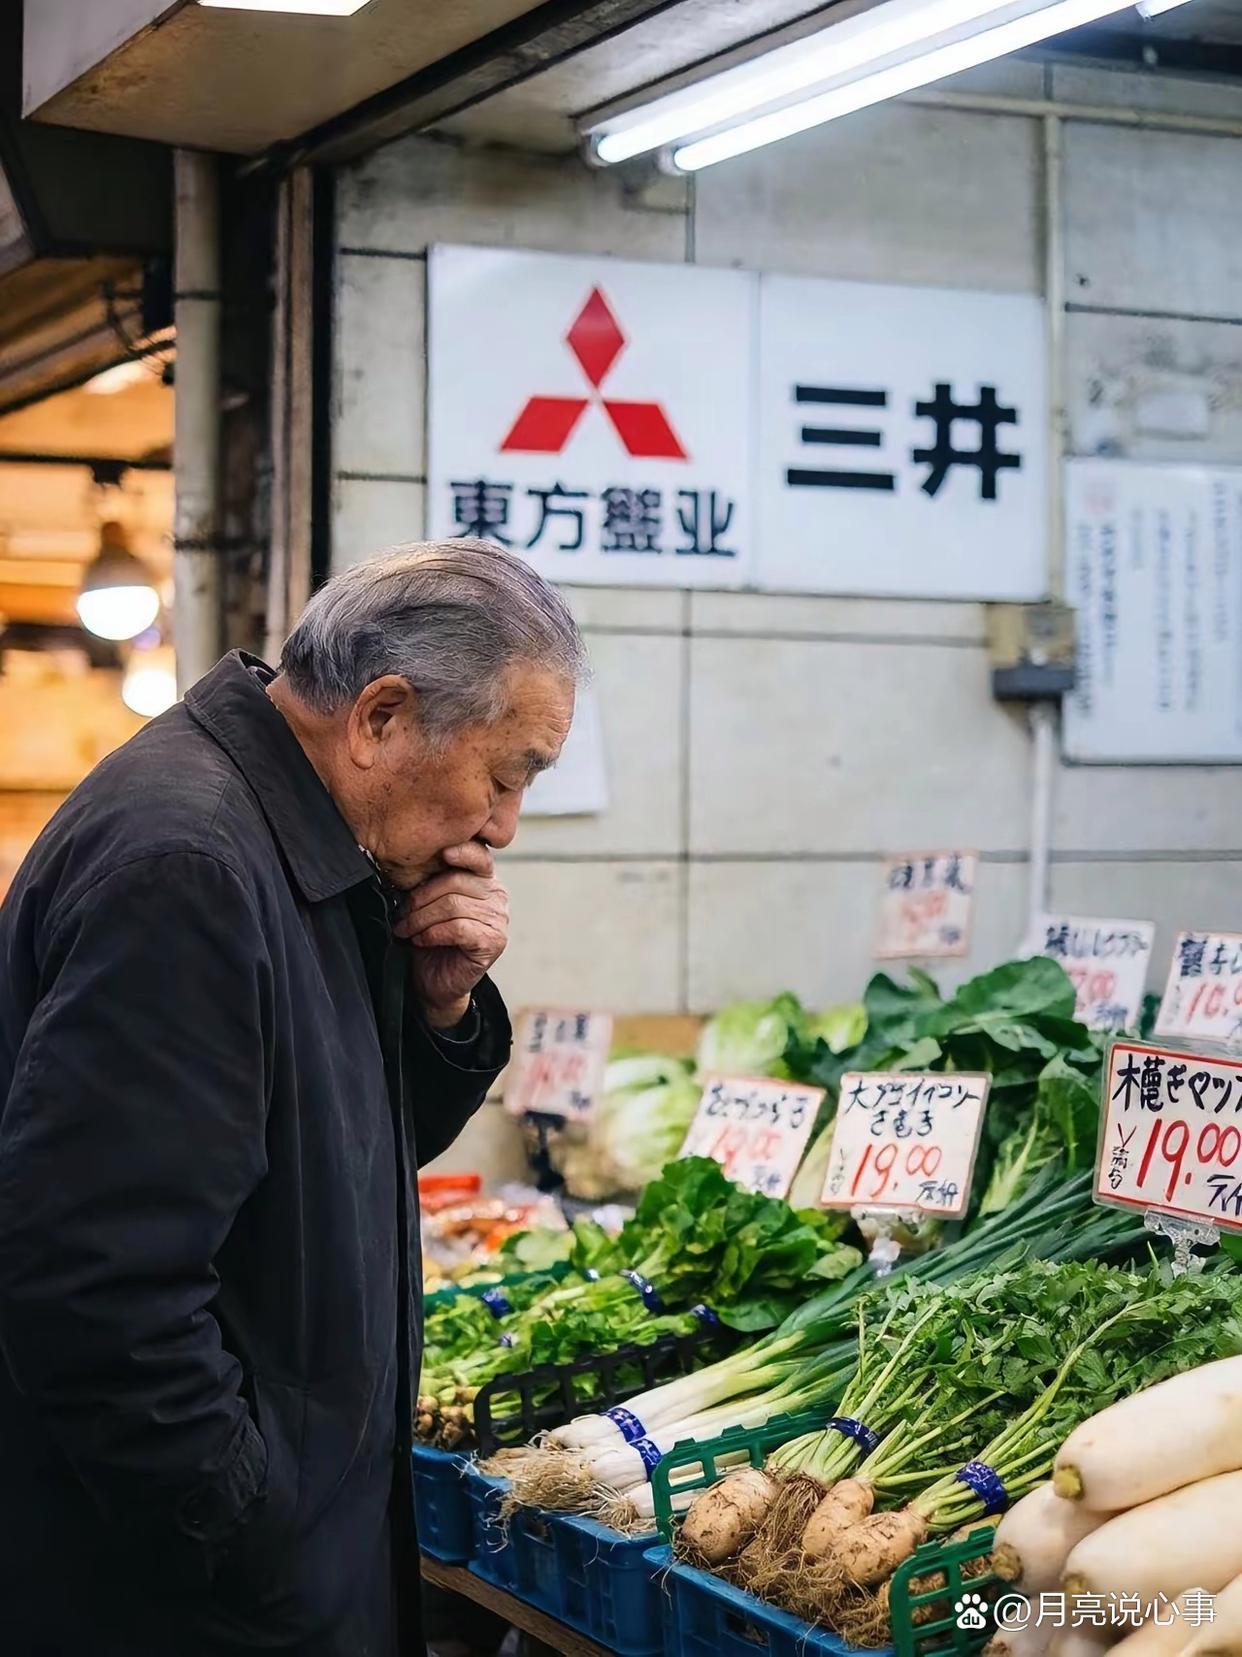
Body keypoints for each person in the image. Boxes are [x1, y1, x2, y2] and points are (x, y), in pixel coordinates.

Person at [0, 540, 586, 1657]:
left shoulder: (307, 848)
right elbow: (95, 1280)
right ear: (380, 717)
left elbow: (331, 1155)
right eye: (508, 773)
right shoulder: (192, 866)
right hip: (189, 1603)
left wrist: (440, 1011)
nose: (505, 824)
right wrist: (241, 1523)